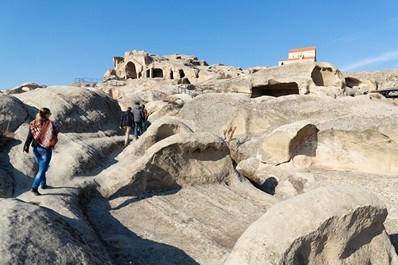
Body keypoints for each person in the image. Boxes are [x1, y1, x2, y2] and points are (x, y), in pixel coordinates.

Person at [23, 107, 58, 196]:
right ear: (46, 114)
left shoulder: (33, 123)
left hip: (35, 148)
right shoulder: (49, 123)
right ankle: (34, 188)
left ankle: (43, 184)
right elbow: (53, 134)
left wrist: (26, 145)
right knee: (43, 169)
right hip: (45, 150)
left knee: (41, 168)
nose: (50, 116)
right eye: (49, 114)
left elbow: (30, 135)